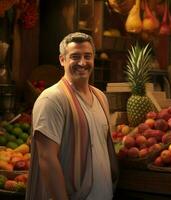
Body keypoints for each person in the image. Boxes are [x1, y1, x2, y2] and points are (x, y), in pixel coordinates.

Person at [26, 32, 119, 200]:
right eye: (75, 57)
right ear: (62, 60)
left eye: (87, 56)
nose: (82, 63)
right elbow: (46, 157)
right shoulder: (52, 99)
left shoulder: (100, 97)